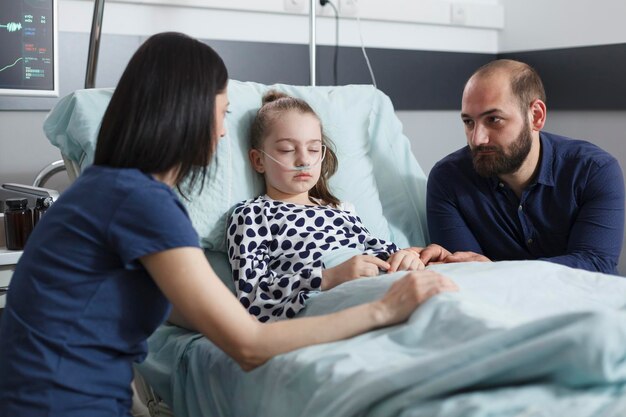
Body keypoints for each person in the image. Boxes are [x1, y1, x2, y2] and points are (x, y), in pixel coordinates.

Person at [0, 33, 458, 417]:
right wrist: (385, 309)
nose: (222, 133)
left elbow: (185, 308)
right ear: (188, 114)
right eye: (220, 114)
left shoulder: (112, 190)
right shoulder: (138, 201)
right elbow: (249, 344)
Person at [226, 91, 427, 322]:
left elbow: (376, 248)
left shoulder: (340, 209)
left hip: (379, 283)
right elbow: (252, 299)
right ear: (258, 160)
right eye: (287, 150)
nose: (304, 160)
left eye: (313, 149)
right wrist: (327, 277)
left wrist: (404, 256)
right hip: (325, 302)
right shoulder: (251, 215)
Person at [421, 59, 624, 274]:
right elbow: (464, 272)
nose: (477, 139)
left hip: (585, 302)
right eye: (469, 122)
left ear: (536, 116)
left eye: (494, 119)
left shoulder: (593, 171)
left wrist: (498, 271)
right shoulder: (448, 179)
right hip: (494, 306)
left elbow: (595, 265)